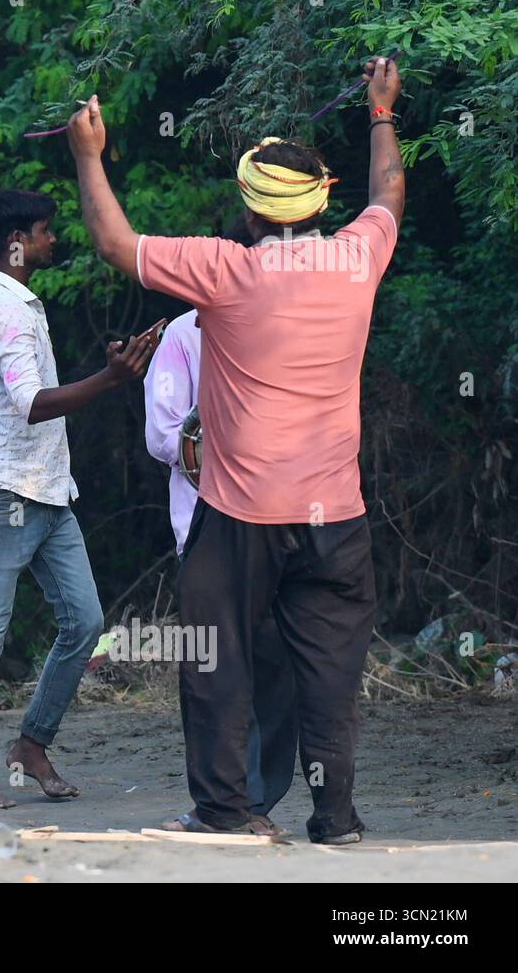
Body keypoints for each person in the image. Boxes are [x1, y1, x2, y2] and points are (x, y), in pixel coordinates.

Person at [67, 56, 405, 843]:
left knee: (217, 661)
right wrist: (381, 112)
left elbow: (116, 243)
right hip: (336, 515)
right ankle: (335, 817)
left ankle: (228, 812)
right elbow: (388, 195)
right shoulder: (358, 258)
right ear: (322, 203)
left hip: (240, 512)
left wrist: (88, 155)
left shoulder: (227, 271)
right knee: (330, 674)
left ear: (250, 212)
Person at [0, 190, 159, 809]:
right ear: (17, 242)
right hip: (2, 493)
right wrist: (111, 378)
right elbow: (29, 403)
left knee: (86, 623)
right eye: (45, 230)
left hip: (48, 490)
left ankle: (31, 744)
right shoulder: (4, 311)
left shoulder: (2, 304)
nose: (53, 239)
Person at [144, 309, 298, 834]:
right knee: (214, 667)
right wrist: (232, 445)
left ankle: (257, 801)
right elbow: (162, 436)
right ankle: (224, 804)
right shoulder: (183, 336)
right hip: (207, 526)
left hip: (280, 524)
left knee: (276, 666)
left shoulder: (282, 324)